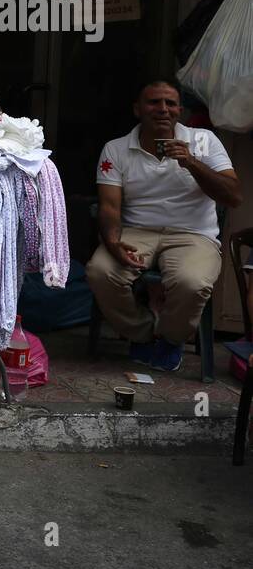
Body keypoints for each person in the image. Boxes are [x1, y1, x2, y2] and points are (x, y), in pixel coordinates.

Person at [88, 80, 242, 371]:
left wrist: (192, 163)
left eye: (170, 104)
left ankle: (171, 339)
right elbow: (109, 207)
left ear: (180, 111)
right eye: (153, 102)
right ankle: (142, 333)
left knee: (192, 283)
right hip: (137, 231)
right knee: (100, 272)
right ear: (138, 109)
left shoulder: (203, 141)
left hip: (193, 235)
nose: (162, 109)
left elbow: (233, 196)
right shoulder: (116, 149)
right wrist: (112, 243)